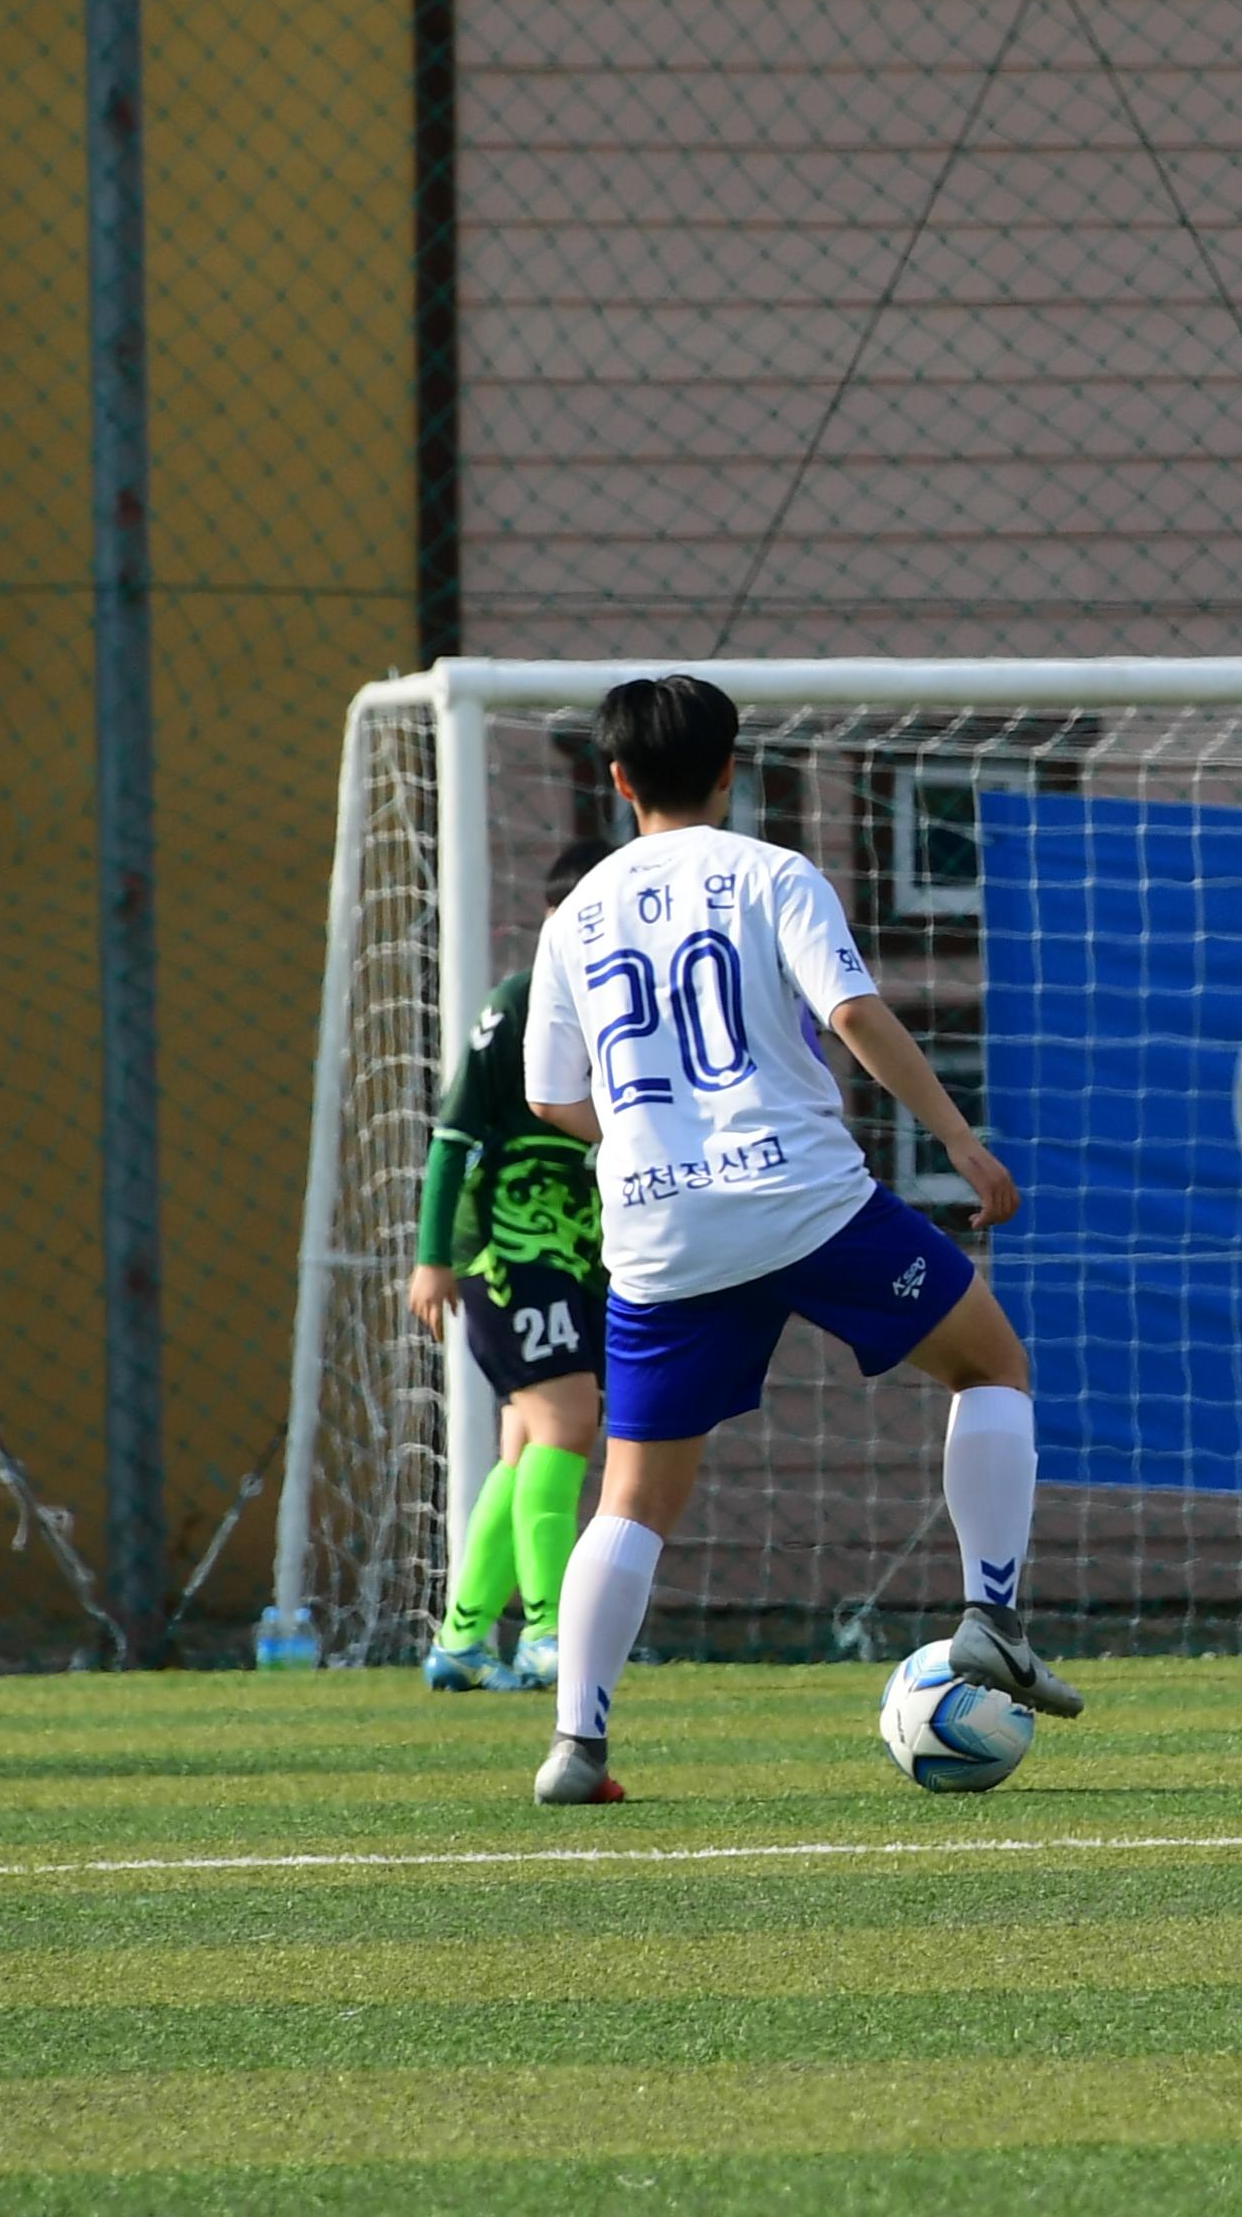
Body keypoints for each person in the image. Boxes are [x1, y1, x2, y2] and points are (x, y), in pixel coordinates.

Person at [520, 674, 1064, 1806]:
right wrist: (960, 1141)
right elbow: (854, 1013)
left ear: (618, 780)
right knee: (990, 1362)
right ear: (733, 769)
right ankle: (991, 1615)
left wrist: (649, 1130)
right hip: (802, 1194)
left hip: (662, 1224)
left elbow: (549, 1097)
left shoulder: (573, 916)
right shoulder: (773, 874)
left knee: (629, 1499)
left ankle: (578, 1746)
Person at [407, 836, 613, 1692]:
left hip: (578, 1252)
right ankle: (547, 1632)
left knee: (528, 1444)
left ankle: (459, 1642)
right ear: (555, 920)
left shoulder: (615, 1004)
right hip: (508, 1254)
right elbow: (453, 1139)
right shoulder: (520, 1002)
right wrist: (431, 1258)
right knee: (568, 1422)